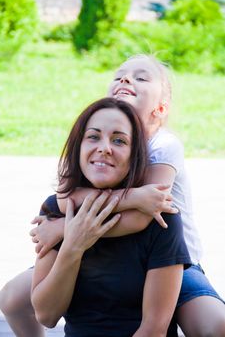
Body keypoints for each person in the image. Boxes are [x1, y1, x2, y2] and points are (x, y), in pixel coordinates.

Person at [0, 54, 225, 336]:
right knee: (12, 298)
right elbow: (66, 197)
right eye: (119, 76)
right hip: (98, 249)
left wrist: (67, 230)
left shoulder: (164, 145)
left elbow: (148, 211)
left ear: (160, 109)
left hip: (173, 258)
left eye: (141, 78)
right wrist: (67, 231)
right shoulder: (92, 144)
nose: (126, 79)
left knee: (216, 325)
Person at [31, 97, 191, 337]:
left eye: (119, 140)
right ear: (79, 148)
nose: (104, 147)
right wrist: (73, 246)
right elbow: (46, 315)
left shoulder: (160, 218)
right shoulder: (57, 210)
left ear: (134, 155)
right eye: (93, 137)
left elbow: (153, 329)